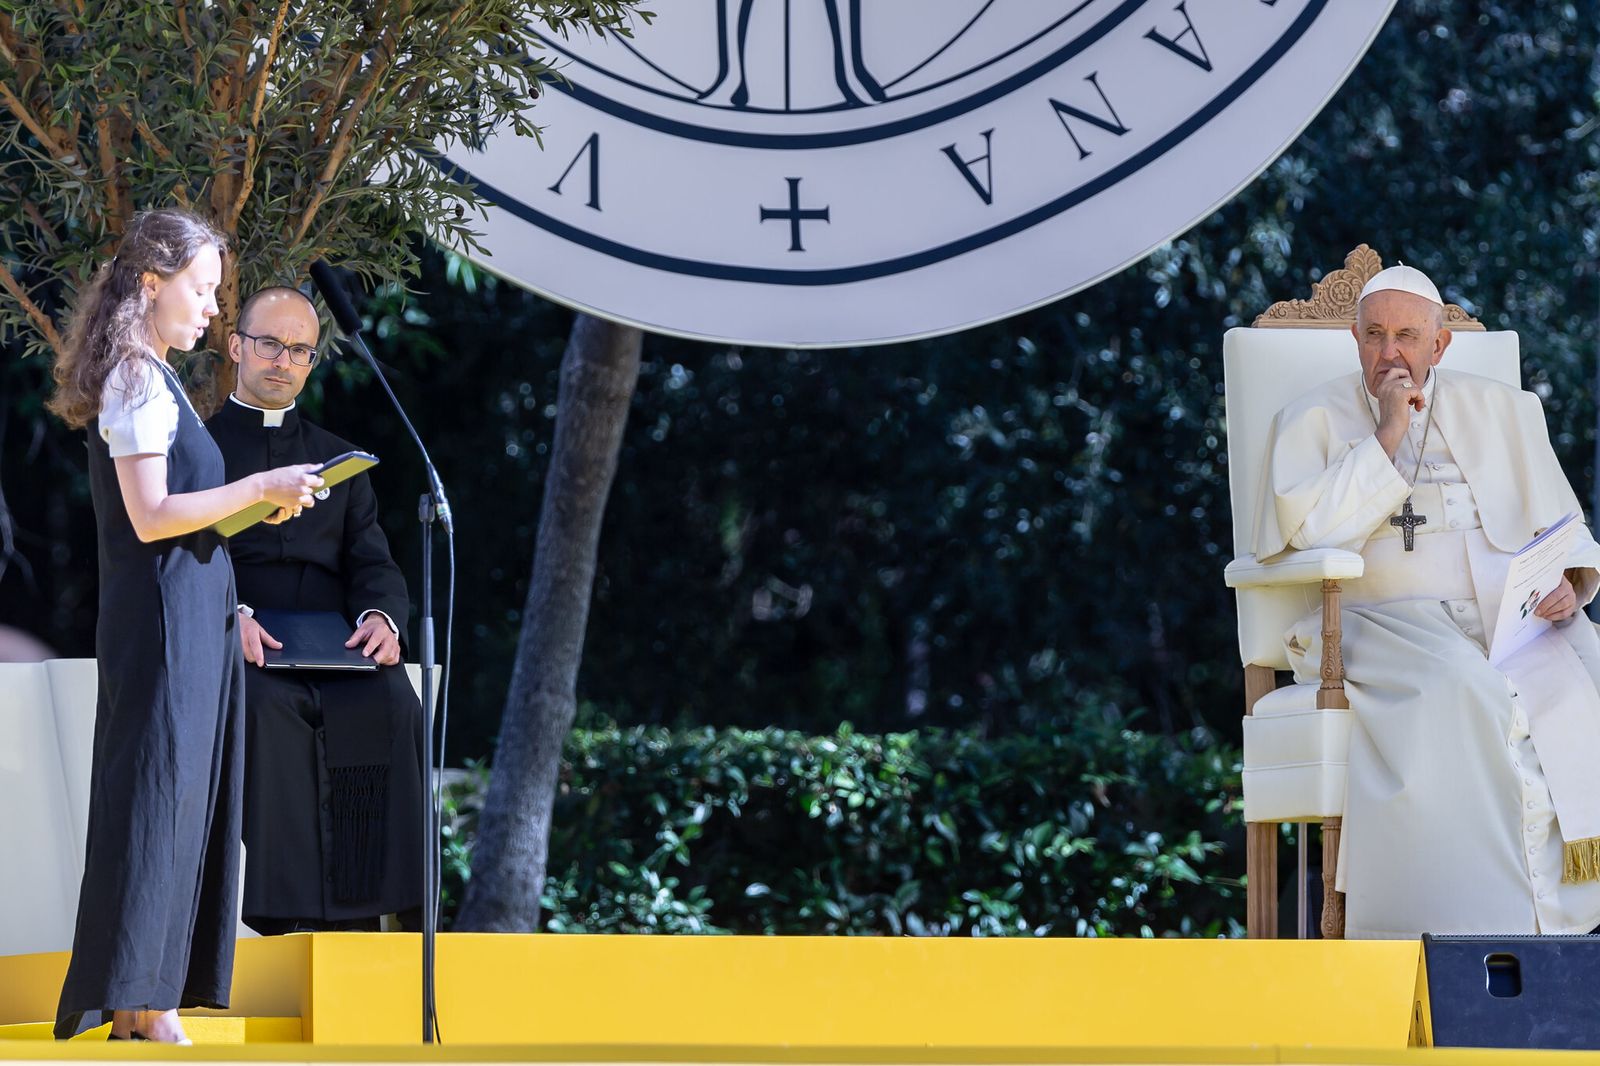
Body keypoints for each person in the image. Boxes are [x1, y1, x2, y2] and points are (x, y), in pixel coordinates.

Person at [1254, 264, 1600, 938]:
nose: (1391, 353)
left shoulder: (1506, 409)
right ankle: (1471, 925)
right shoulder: (1310, 420)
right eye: (1376, 335)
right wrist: (1386, 433)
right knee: (1464, 687)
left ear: (1438, 346)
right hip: (1380, 624)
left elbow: (1567, 531)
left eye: (1407, 336)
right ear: (1354, 339)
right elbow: (1308, 536)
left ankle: (1568, 928)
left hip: (1509, 619)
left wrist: (1572, 581)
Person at [45, 209, 322, 1041]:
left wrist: (255, 509)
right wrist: (256, 488)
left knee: (178, 797)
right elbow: (152, 514)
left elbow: (182, 518)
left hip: (190, 618)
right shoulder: (134, 376)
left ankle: (144, 999)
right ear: (151, 283)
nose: (211, 308)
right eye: (202, 290)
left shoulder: (156, 377)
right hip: (161, 626)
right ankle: (143, 996)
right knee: (156, 796)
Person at [205, 286, 423, 934]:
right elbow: (182, 551)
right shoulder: (198, 450)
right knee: (268, 709)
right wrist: (229, 614)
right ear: (237, 347)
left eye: (299, 349)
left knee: (394, 701)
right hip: (244, 638)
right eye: (270, 344)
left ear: (311, 362)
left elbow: (373, 562)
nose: (283, 359)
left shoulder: (339, 460)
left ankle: (370, 914)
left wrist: (383, 619)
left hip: (333, 643)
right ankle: (284, 918)